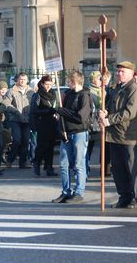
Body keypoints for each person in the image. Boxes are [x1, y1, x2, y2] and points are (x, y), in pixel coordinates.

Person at [98, 61, 137, 209]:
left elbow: (129, 113)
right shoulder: (117, 88)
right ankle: (124, 196)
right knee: (118, 169)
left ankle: (136, 198)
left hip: (127, 135)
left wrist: (109, 120)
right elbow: (112, 106)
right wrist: (105, 112)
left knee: (131, 169)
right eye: (118, 71)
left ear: (131, 73)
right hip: (114, 135)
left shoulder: (134, 90)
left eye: (122, 71)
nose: (119, 74)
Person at [52, 70, 92, 204]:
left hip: (79, 132)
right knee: (64, 164)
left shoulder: (84, 96)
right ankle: (66, 191)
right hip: (66, 133)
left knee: (79, 164)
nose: (68, 83)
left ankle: (79, 191)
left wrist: (63, 111)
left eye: (69, 81)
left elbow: (80, 117)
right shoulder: (67, 94)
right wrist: (61, 126)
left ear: (75, 81)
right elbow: (62, 114)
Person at [30, 75, 58, 177]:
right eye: (46, 84)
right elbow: (34, 110)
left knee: (51, 146)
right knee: (42, 146)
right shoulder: (38, 95)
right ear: (42, 84)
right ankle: (37, 162)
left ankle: (49, 167)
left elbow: (55, 105)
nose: (48, 86)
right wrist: (49, 110)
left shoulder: (53, 94)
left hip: (52, 122)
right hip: (41, 123)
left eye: (50, 84)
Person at [5, 73, 33, 169]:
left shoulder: (31, 92)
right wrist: (16, 112)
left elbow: (33, 105)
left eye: (24, 79)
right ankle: (10, 160)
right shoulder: (11, 91)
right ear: (17, 80)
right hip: (15, 119)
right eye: (20, 79)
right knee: (17, 140)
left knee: (25, 141)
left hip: (27, 119)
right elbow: (7, 104)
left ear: (27, 80)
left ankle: (23, 162)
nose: (22, 81)